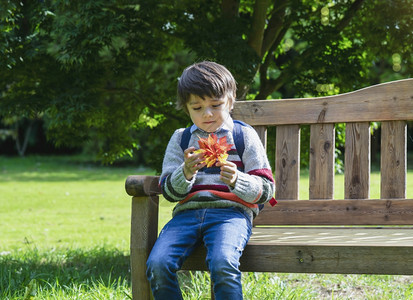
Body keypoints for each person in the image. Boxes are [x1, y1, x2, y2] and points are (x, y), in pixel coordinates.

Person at [146, 61, 276, 300]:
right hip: (186, 215)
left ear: (230, 100)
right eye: (197, 107)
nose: (207, 114)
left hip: (231, 215)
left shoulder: (243, 135)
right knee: (157, 263)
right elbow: (168, 191)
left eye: (215, 105)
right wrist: (184, 173)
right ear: (186, 108)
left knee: (222, 262)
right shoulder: (181, 139)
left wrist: (238, 180)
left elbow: (266, 188)